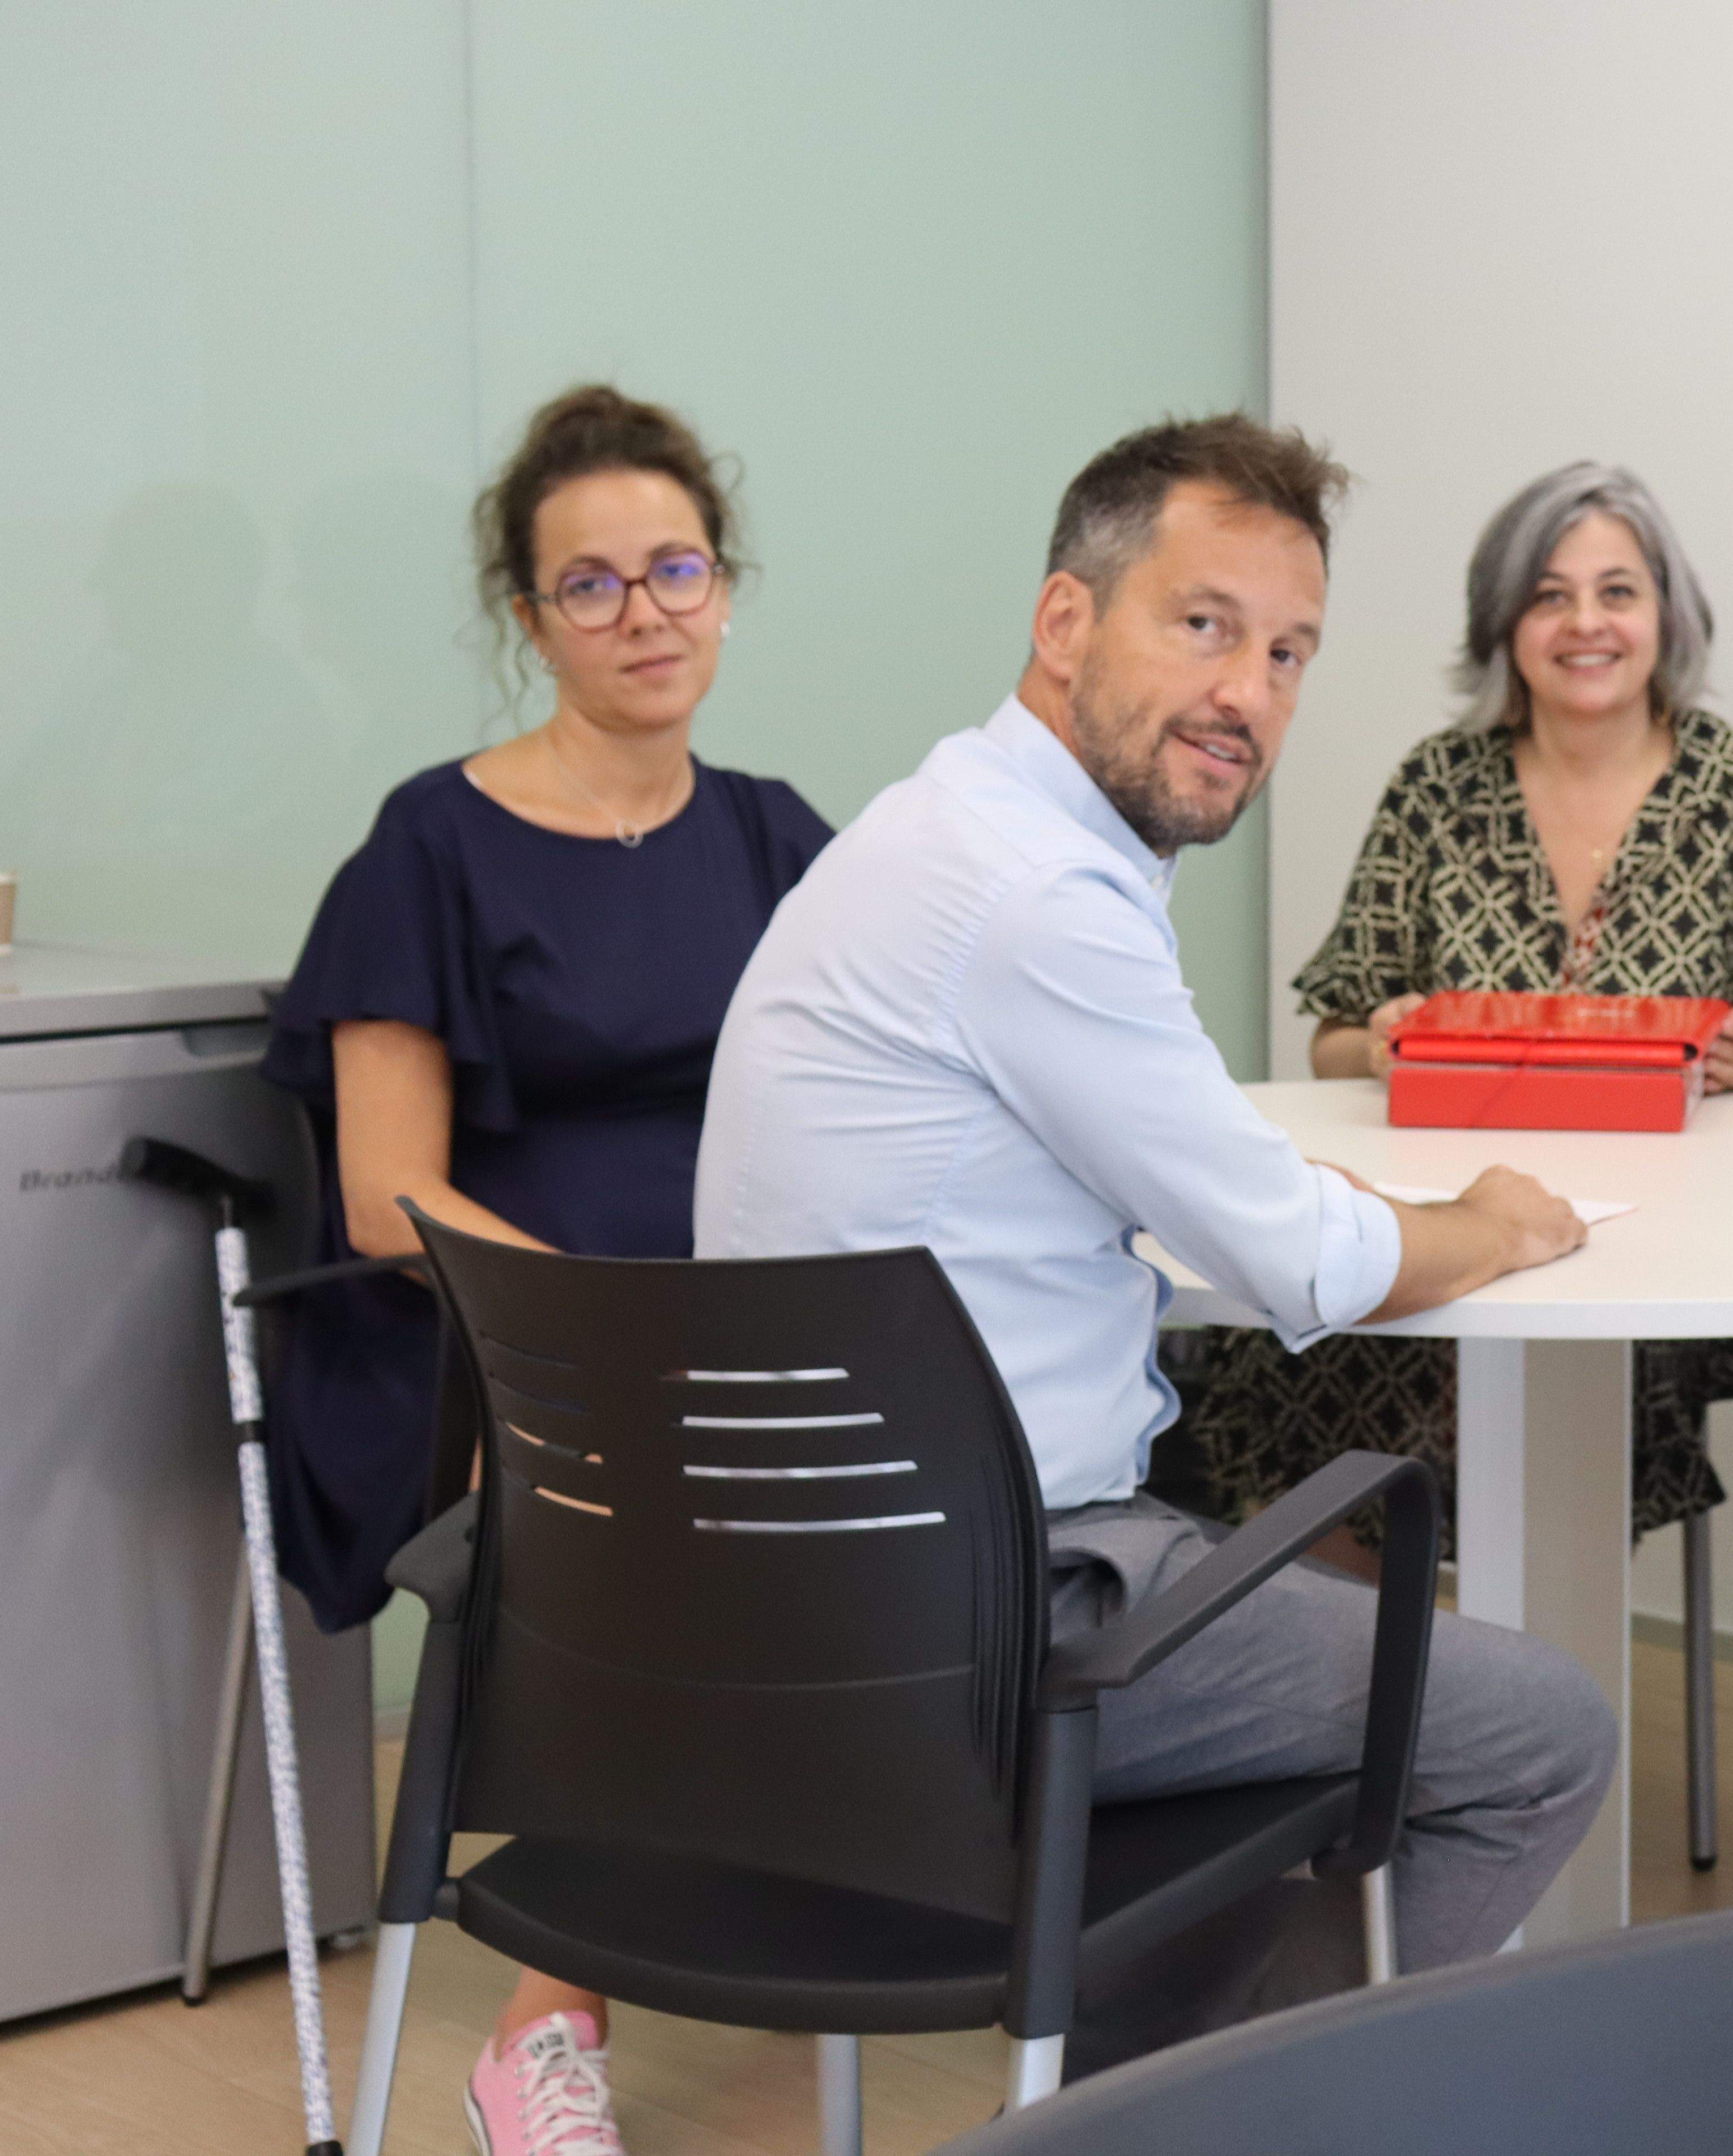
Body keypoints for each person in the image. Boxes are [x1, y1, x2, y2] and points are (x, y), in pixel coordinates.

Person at [695, 416, 1616, 2033]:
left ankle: (1158, 2092)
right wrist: (1490, 1219)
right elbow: (1312, 1262)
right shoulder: (1037, 898)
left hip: (801, 1600)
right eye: (1202, 626)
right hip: (974, 1626)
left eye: (1287, 652)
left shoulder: (935, 831)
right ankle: (1263, 2122)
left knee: (1266, 1591)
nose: (1247, 695)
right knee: (1544, 1727)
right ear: (1065, 625)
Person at [259, 385, 833, 2156]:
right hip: (488, 1345)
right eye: (592, 586)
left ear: (725, 587)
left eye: (674, 568)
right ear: (531, 623)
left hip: (736, 1327)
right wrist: (618, 1330)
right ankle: (541, 2027)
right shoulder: (433, 841)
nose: (644, 611)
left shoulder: (775, 834)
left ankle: (889, 1892)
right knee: (669, 1493)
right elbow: (383, 1196)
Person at [1173, 461, 1733, 1562]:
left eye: (1617, 590)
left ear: (1666, 614)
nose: (1584, 623)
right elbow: (1332, 1041)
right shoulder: (1436, 787)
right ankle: (1379, 1680)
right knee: (1343, 1321)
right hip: (1457, 1203)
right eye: (1549, 594)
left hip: (1680, 1232)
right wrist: (1380, 1041)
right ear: (1504, 622)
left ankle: (1491, 1691)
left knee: (1493, 1341)